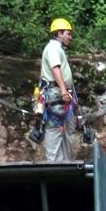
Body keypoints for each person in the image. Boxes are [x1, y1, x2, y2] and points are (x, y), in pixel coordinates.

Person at [39, 18, 76, 162]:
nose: (70, 37)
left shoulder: (57, 48)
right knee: (55, 129)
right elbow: (55, 68)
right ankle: (53, 163)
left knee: (66, 129)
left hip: (60, 94)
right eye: (68, 34)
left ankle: (64, 163)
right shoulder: (53, 48)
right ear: (59, 33)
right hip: (57, 94)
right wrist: (63, 90)